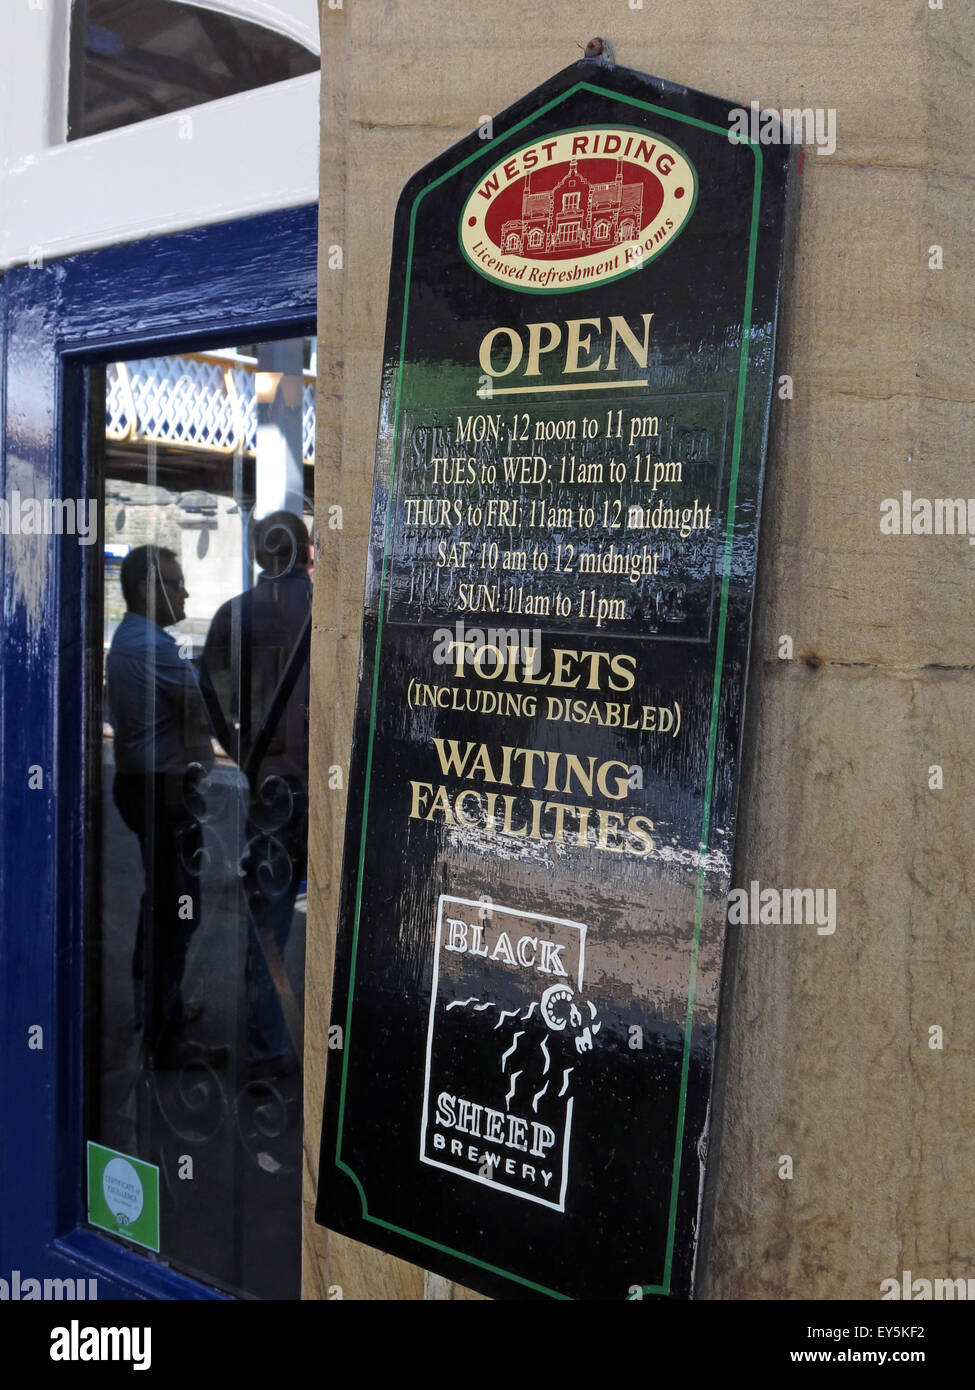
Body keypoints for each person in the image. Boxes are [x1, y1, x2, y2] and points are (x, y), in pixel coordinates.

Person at [200, 512, 312, 1077]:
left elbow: (209, 692)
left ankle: (265, 1050)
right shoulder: (328, 612)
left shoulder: (231, 616)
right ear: (307, 552)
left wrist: (241, 750)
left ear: (255, 554)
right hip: (326, 789)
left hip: (269, 789)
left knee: (267, 921)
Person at [106, 545, 219, 1069]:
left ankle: (153, 1009)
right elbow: (198, 712)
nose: (186, 592)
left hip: (140, 787)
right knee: (177, 913)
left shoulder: (129, 639)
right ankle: (165, 1036)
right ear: (151, 590)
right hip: (164, 793)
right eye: (175, 583)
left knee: (163, 905)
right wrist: (203, 767)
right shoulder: (154, 647)